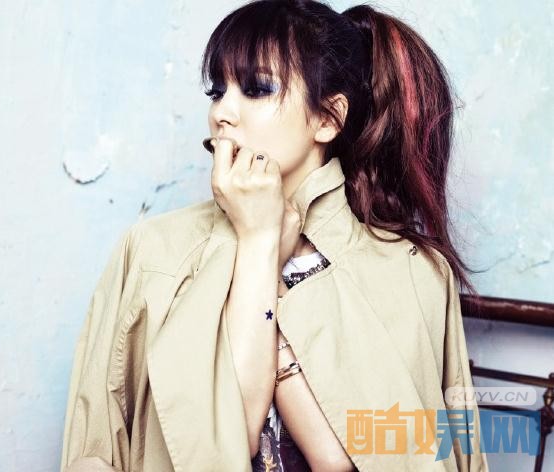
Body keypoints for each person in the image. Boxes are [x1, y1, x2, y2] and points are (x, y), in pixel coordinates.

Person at [60, 1, 489, 471]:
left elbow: (385, 455)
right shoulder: (153, 252)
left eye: (257, 89)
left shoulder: (411, 272)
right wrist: (260, 244)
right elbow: (119, 452)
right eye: (217, 91)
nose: (222, 113)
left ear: (327, 118)